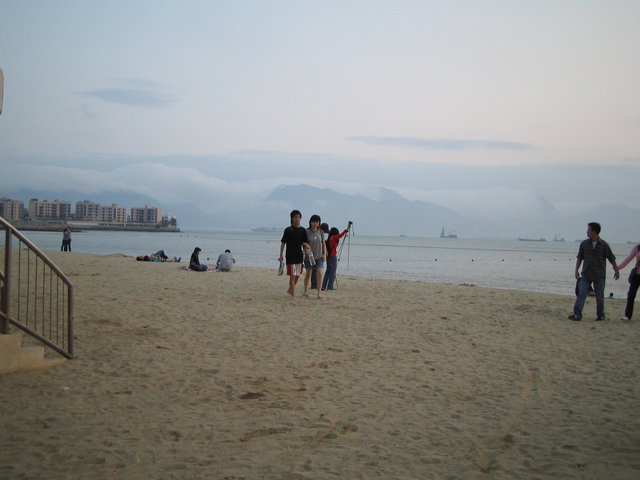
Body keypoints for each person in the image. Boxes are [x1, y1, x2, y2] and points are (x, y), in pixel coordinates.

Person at [569, 222, 619, 321]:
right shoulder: (584, 244)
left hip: (599, 274)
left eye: (588, 230)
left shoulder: (604, 245)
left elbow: (611, 258)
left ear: (594, 231)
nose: (587, 232)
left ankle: (600, 315)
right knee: (581, 294)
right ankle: (577, 315)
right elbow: (579, 258)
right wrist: (576, 270)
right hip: (586, 274)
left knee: (599, 296)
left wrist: (616, 270)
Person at [278, 210, 309, 298]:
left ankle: (290, 289)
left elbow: (304, 242)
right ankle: (293, 294)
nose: (297, 219)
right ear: (292, 218)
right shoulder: (288, 230)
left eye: (298, 217)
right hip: (290, 255)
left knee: (297, 274)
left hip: (299, 255)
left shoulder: (303, 230)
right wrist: (281, 255)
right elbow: (283, 242)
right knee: (292, 275)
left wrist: (306, 246)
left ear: (301, 218)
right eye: (295, 217)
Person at [322, 222, 352, 291]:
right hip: (333, 256)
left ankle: (324, 285)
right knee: (333, 272)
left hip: (328, 256)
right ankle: (330, 286)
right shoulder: (334, 237)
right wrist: (347, 229)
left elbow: (340, 236)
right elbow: (340, 235)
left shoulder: (330, 238)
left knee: (328, 271)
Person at [303, 215, 326, 298]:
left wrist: (324, 254)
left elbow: (323, 243)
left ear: (319, 223)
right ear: (310, 222)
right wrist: (305, 246)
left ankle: (319, 293)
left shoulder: (321, 231)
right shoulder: (306, 231)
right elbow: (303, 242)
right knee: (308, 274)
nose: (315, 223)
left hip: (319, 256)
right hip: (309, 257)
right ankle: (305, 291)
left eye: (317, 222)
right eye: (313, 222)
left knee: (320, 273)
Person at [616, 243, 640, 321]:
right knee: (631, 295)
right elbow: (628, 259)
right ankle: (628, 315)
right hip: (636, 275)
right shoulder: (637, 248)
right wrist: (618, 267)